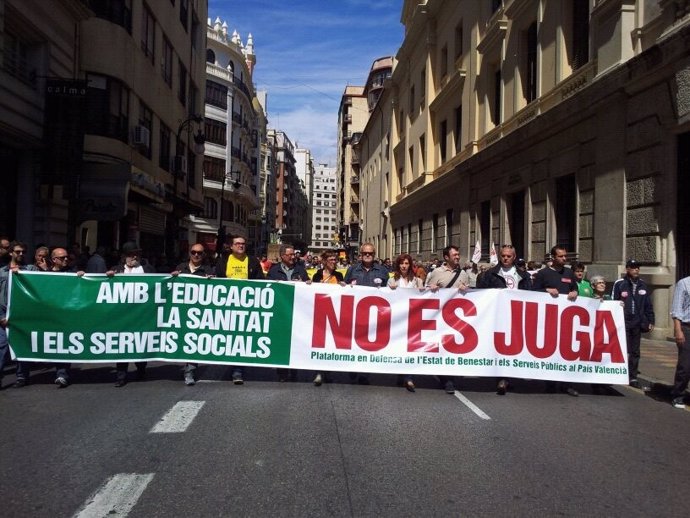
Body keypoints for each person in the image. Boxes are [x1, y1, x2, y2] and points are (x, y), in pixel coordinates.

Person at [478, 244, 532, 395]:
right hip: (497, 316)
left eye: (509, 256)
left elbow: (530, 294)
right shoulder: (490, 274)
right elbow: (481, 294)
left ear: (514, 257)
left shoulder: (523, 275)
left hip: (517, 316)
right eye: (503, 256)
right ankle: (501, 378)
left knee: (514, 347)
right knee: (500, 347)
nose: (506, 258)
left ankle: (509, 377)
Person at [215, 235, 265, 384]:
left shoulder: (252, 261)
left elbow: (260, 281)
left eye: (243, 244)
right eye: (237, 244)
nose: (241, 246)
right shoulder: (223, 261)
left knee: (240, 337)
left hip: (246, 306)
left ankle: (238, 370)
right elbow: (217, 279)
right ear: (231, 246)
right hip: (226, 305)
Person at [532, 245, 580, 397]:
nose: (564, 259)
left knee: (566, 351)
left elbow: (575, 289)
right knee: (552, 351)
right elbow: (532, 293)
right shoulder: (543, 274)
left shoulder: (569, 273)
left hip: (566, 320)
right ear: (553, 257)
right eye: (561, 256)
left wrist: (575, 292)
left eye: (565, 256)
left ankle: (567, 384)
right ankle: (550, 383)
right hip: (549, 319)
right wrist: (546, 291)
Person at [106, 241, 155, 387]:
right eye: (130, 254)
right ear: (124, 257)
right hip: (123, 316)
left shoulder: (148, 270)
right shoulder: (116, 270)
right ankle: (121, 375)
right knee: (122, 344)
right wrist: (107, 277)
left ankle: (141, 368)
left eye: (136, 254)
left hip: (142, 315)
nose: (134, 256)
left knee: (141, 342)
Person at [424, 245, 470, 394]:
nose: (457, 257)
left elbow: (470, 294)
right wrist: (429, 287)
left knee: (454, 348)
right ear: (446, 257)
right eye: (454, 255)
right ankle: (446, 379)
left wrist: (466, 289)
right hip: (440, 318)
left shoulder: (463, 273)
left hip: (456, 320)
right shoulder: (436, 272)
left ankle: (450, 376)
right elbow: (424, 292)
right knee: (442, 347)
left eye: (458, 254)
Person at [344, 243, 389, 384]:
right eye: (365, 253)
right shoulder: (352, 270)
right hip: (355, 314)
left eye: (370, 253)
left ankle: (365, 372)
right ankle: (353, 367)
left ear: (374, 255)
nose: (367, 255)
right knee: (354, 342)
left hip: (374, 316)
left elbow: (390, 292)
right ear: (360, 255)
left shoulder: (382, 271)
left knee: (368, 344)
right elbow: (344, 288)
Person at [268, 243, 310, 382]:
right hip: (280, 312)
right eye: (290, 254)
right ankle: (282, 372)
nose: (293, 257)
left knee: (296, 341)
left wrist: (307, 284)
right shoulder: (273, 271)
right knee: (281, 342)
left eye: (294, 254)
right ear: (282, 256)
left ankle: (294, 369)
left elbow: (307, 290)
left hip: (297, 313)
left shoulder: (300, 270)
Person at [172, 244, 212, 386]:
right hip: (181, 311)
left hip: (197, 314)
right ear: (189, 253)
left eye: (199, 253)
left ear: (203, 255)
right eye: (193, 252)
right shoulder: (181, 268)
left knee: (193, 341)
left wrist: (212, 281)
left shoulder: (208, 270)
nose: (196, 255)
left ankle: (190, 370)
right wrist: (173, 278)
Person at [0, 241, 39, 388]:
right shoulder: (2, 272)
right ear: (11, 253)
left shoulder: (30, 269)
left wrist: (42, 268)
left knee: (22, 345)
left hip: (23, 314)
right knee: (2, 346)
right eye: (18, 251)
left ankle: (22, 376)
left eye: (23, 252)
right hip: (4, 313)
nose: (21, 254)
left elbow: (46, 280)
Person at [612, 259, 655, 388]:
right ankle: (620, 372)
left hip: (637, 322)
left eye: (637, 268)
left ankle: (633, 377)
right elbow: (613, 300)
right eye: (633, 267)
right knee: (623, 349)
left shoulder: (643, 285)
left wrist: (651, 320)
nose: (636, 269)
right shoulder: (620, 283)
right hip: (623, 322)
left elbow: (648, 304)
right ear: (627, 269)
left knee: (635, 351)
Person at [388, 253, 424, 392]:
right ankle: (400, 373)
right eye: (402, 263)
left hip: (413, 318)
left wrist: (424, 290)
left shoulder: (417, 281)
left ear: (410, 265)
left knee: (410, 347)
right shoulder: (392, 281)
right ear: (398, 265)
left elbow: (424, 297)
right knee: (400, 347)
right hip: (397, 319)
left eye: (406, 263)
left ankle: (408, 377)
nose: (404, 266)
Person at [310, 250, 344, 386]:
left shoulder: (339, 275)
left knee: (330, 344)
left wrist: (344, 286)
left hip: (335, 314)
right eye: (331, 259)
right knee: (319, 344)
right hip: (320, 313)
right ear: (324, 261)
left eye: (335, 260)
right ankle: (318, 372)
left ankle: (328, 371)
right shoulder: (317, 275)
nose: (334, 262)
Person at [670, 275, 690, 409]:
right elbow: (677, 309)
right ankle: (678, 395)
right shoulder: (684, 283)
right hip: (687, 328)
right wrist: (678, 330)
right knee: (685, 366)